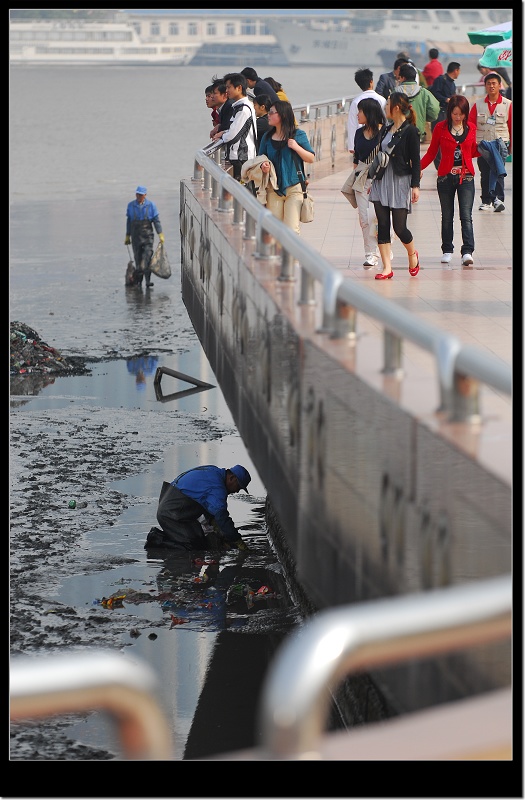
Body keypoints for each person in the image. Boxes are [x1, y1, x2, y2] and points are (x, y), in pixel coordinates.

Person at [420, 95, 480, 266]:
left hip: (466, 177)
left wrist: (488, 150)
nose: (458, 117)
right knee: (447, 216)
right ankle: (447, 250)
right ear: (449, 113)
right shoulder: (440, 128)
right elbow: (432, 153)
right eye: (455, 113)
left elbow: (473, 151)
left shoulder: (471, 128)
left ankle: (467, 251)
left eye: (461, 114)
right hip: (446, 177)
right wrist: (417, 169)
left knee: (466, 216)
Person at [369, 92, 421, 280]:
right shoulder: (385, 129)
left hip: (400, 181)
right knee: (382, 224)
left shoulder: (411, 131)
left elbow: (416, 160)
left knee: (400, 229)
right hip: (381, 180)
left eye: (388, 104)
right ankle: (387, 268)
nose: (385, 107)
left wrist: (415, 186)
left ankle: (412, 253)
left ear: (396, 107)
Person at [145, 464, 252, 551]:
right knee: (193, 547)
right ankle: (156, 539)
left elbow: (210, 510)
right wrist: (237, 540)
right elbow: (222, 516)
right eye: (238, 487)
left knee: (200, 540)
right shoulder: (218, 487)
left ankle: (167, 538)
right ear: (232, 478)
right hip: (172, 513)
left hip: (175, 507)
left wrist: (221, 534)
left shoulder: (213, 471)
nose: (237, 491)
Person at [257, 100, 315, 234]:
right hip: (273, 189)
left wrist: (296, 147)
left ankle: (291, 256)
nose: (268, 116)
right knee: (274, 230)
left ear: (282, 115)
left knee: (292, 230)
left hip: (294, 188)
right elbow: (260, 159)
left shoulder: (298, 135)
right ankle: (278, 255)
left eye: (271, 113)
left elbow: (310, 158)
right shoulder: (267, 137)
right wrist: (263, 165)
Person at [349, 97, 387, 268]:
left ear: (369, 113)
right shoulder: (358, 133)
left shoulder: (384, 133)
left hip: (380, 179)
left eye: (361, 111)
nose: (357, 115)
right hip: (362, 179)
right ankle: (370, 253)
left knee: (379, 217)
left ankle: (385, 247)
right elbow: (356, 158)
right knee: (364, 218)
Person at [468, 72, 511, 212]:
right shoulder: (478, 104)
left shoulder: (508, 104)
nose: (491, 86)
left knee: (498, 171)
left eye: (494, 83)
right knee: (485, 172)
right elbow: (471, 125)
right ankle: (486, 200)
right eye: (489, 84)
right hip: (483, 145)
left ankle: (498, 199)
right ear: (485, 86)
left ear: (499, 85)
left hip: (500, 144)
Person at [211, 72, 257, 180]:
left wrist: (222, 135)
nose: (226, 91)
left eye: (229, 87)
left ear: (239, 88)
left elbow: (232, 134)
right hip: (241, 156)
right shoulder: (240, 107)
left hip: (242, 157)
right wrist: (224, 133)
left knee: (244, 191)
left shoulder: (243, 109)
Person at [125, 186, 164, 289]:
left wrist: (160, 233)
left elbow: (156, 220)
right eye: (137, 194)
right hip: (135, 236)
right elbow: (129, 221)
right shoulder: (130, 206)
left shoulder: (151, 206)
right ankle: (139, 282)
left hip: (148, 236)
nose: (139, 196)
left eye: (141, 195)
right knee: (138, 259)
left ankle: (148, 281)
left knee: (147, 258)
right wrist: (127, 235)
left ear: (145, 195)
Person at [396, 63, 440, 143]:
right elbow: (435, 109)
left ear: (402, 77)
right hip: (418, 132)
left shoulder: (395, 92)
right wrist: (424, 117)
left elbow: (389, 112)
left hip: (399, 132)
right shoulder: (424, 92)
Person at [429, 61, 461, 168]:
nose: (459, 73)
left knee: (449, 137)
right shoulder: (441, 80)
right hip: (440, 112)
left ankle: (448, 161)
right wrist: (446, 99)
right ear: (455, 70)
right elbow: (434, 93)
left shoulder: (452, 83)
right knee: (438, 137)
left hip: (448, 113)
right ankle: (438, 164)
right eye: (459, 71)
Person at [347, 68, 386, 153]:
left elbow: (352, 124)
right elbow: (385, 119)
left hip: (361, 139)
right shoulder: (382, 100)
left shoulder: (356, 101)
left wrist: (351, 145)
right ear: (371, 81)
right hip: (379, 138)